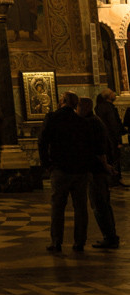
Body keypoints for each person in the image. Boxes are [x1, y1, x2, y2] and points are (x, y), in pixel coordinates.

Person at [38, 91, 104, 254]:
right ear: (75, 104)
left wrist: (47, 164)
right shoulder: (82, 122)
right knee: (81, 207)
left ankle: (56, 242)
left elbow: (42, 141)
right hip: (80, 171)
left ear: (63, 101)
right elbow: (91, 147)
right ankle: (79, 242)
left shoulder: (52, 118)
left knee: (58, 207)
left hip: (60, 169)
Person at [79, 98, 120, 250]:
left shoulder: (91, 123)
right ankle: (110, 236)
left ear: (84, 108)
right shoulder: (95, 121)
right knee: (102, 204)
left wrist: (105, 165)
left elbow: (99, 148)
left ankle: (110, 237)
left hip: (96, 171)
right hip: (99, 169)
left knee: (99, 204)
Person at [96, 89, 124, 186]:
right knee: (114, 158)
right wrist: (118, 140)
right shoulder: (108, 108)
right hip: (111, 138)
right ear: (108, 96)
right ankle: (114, 179)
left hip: (106, 137)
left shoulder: (99, 107)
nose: (115, 94)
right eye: (112, 93)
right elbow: (113, 124)